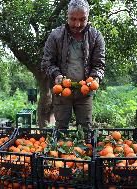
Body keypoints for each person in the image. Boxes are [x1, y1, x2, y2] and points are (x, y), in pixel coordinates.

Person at [41, 0, 105, 130]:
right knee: (61, 128)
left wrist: (96, 77)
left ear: (88, 17)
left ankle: (85, 149)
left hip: (84, 91)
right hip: (62, 91)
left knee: (86, 128)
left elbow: (99, 64)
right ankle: (61, 149)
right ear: (67, 16)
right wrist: (56, 74)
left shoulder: (95, 36)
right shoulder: (55, 36)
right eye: (73, 19)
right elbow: (47, 62)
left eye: (82, 19)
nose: (77, 24)